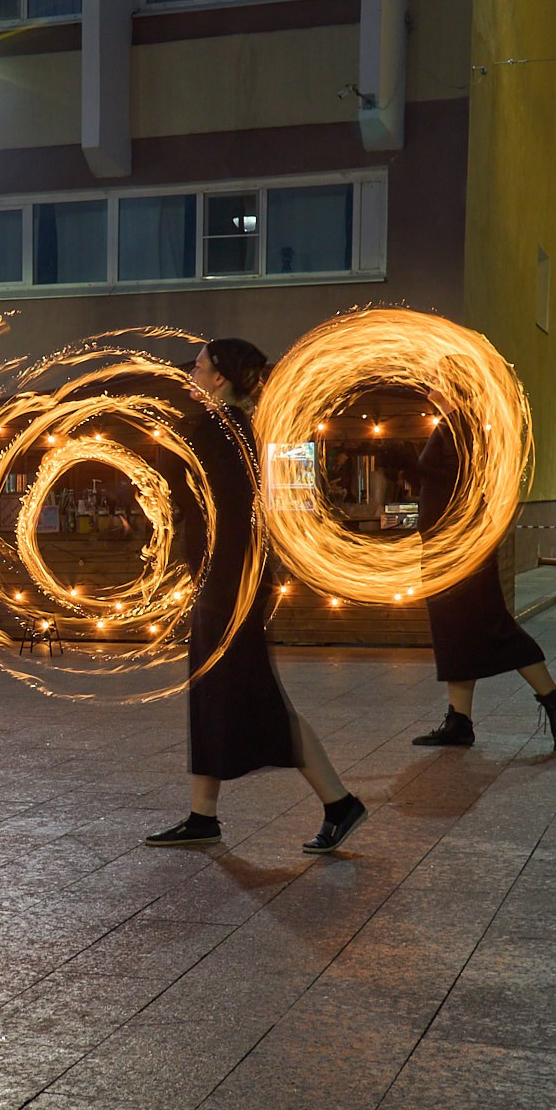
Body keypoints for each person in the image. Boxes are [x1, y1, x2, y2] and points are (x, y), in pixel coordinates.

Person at [145, 340, 368, 855]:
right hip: (231, 578)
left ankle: (339, 802)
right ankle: (203, 815)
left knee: (256, 697)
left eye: (198, 366)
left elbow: (180, 490)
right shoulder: (243, 428)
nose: (192, 372)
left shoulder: (212, 427)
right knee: (213, 695)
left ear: (219, 376)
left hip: (227, 584)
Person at [405, 412, 556, 751]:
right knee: (455, 633)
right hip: (449, 546)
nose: (430, 382)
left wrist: (411, 465)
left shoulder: (460, 423)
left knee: (493, 625)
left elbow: (457, 481)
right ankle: (459, 722)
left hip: (462, 547)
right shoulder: (451, 422)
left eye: (438, 377)